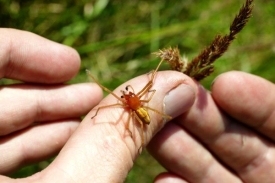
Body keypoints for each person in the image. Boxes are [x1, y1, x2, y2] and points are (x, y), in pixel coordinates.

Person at [0, 28, 274, 183]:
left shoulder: (133, 101)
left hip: (143, 111)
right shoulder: (126, 105)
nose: (127, 95)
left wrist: (155, 75)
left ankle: (158, 110)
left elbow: (145, 89)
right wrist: (102, 107)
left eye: (127, 94)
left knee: (146, 105)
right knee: (134, 112)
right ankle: (155, 112)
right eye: (127, 95)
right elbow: (116, 101)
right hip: (140, 112)